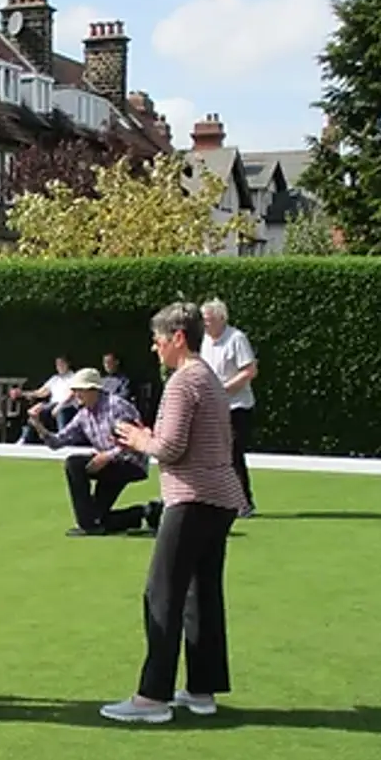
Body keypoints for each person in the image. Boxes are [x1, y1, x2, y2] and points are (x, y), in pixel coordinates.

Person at [105, 301, 248, 725]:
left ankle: (153, 696)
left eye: (159, 340)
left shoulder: (184, 381)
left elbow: (170, 448)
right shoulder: (208, 378)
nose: (155, 348)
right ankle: (201, 689)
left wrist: (139, 439)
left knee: (162, 593)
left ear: (178, 338)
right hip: (220, 497)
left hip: (192, 498)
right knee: (200, 594)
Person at [46, 367, 162, 537]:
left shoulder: (116, 406)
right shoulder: (83, 414)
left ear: (93, 390)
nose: (76, 394)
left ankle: (87, 525)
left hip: (129, 462)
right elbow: (57, 442)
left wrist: (108, 456)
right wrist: (39, 427)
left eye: (80, 390)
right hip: (108, 464)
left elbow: (134, 439)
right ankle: (146, 512)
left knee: (74, 464)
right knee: (98, 516)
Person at [200, 298, 259, 516]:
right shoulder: (203, 341)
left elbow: (249, 371)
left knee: (232, 453)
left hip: (237, 407)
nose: (205, 324)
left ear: (221, 318)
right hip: (211, 407)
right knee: (213, 454)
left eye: (208, 319)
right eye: (203, 320)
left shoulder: (236, 338)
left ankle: (244, 502)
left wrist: (224, 390)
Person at [14, 356, 77, 444]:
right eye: (58, 364)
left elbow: (72, 394)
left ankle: (62, 439)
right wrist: (23, 393)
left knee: (61, 411)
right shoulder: (55, 378)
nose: (59, 366)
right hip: (52, 405)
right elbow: (41, 392)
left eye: (62, 364)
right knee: (34, 412)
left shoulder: (74, 377)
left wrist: (59, 406)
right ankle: (24, 438)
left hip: (68, 406)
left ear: (68, 364)